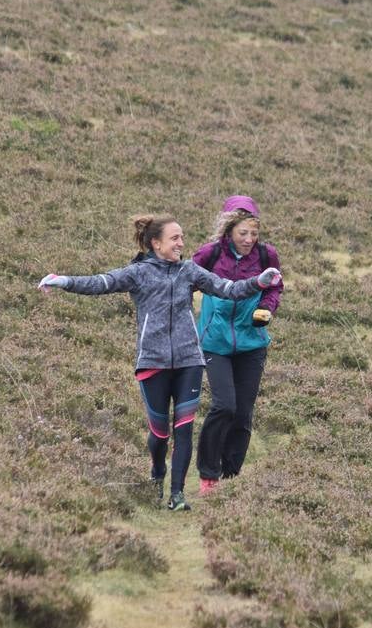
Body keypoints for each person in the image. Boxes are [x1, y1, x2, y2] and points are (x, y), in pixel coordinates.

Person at [38, 214, 282, 512]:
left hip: (189, 362)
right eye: (175, 238)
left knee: (183, 428)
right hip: (152, 362)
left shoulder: (189, 271)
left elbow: (228, 289)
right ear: (156, 243)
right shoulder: (138, 273)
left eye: (182, 237)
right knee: (160, 433)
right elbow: (101, 283)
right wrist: (62, 281)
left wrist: (259, 281)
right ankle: (157, 471)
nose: (181, 243)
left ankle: (177, 494)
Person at [191, 195, 283, 496]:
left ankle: (230, 477)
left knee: (243, 414)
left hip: (251, 343)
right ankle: (208, 473)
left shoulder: (267, 256)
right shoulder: (211, 253)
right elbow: (185, 278)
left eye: (254, 233)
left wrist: (267, 309)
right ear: (230, 229)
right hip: (214, 342)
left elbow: (275, 286)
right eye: (243, 233)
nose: (249, 239)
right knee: (224, 406)